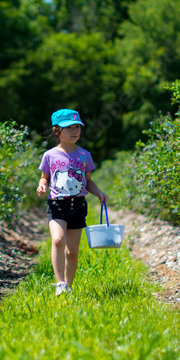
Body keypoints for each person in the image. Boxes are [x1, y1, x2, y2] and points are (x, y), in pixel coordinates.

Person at [37, 108, 108, 296]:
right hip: (57, 205)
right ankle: (59, 283)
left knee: (72, 252)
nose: (75, 131)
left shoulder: (84, 155)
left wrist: (99, 193)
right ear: (56, 131)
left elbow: (88, 180)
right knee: (58, 239)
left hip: (78, 205)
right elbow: (45, 177)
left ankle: (68, 285)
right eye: (69, 127)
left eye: (77, 126)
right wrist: (42, 186)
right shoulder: (50, 155)